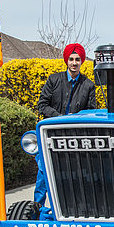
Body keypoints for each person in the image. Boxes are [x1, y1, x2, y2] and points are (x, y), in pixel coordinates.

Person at [35, 43, 96, 205]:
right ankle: (37, 207)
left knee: (76, 175)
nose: (74, 63)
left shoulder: (88, 85)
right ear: (66, 61)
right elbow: (42, 105)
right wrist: (60, 118)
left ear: (82, 61)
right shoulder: (54, 80)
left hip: (76, 137)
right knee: (44, 172)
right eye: (71, 59)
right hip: (52, 134)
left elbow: (91, 111)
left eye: (77, 59)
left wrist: (75, 120)